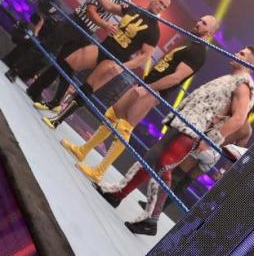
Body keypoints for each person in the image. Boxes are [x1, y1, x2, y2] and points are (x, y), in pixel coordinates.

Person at [97, 46, 254, 236]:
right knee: (152, 159)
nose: (236, 53)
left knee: (163, 166)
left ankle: (151, 219)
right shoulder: (230, 80)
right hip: (187, 123)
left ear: (249, 64)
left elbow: (239, 118)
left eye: (242, 54)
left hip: (194, 130)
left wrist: (210, 139)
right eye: (239, 51)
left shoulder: (243, 86)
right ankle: (118, 194)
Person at [62, 15, 218, 182]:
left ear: (210, 33)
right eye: (200, 20)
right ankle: (83, 151)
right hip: (147, 84)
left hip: (154, 91)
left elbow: (176, 78)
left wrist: (150, 88)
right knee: (112, 114)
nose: (198, 23)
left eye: (204, 23)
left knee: (125, 127)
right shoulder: (190, 43)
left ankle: (99, 171)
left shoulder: (198, 53)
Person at [42, 0, 171, 129]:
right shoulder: (134, 9)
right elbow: (109, 6)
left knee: (87, 87)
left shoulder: (154, 31)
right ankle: (56, 103)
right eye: (160, 2)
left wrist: (123, 66)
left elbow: (144, 57)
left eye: (164, 6)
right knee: (68, 63)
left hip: (115, 60)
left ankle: (58, 120)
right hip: (104, 48)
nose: (161, 7)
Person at [26, 0, 141, 109]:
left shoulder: (124, 2)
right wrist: (105, 25)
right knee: (47, 48)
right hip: (75, 22)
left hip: (87, 32)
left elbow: (128, 15)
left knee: (64, 64)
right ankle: (17, 71)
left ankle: (36, 90)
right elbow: (90, 11)